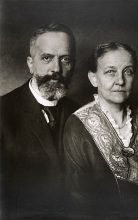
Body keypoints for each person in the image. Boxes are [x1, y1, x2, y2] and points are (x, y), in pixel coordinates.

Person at [63, 42, 138, 219]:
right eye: (110, 72)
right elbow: (79, 203)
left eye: (128, 71)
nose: (120, 80)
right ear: (93, 78)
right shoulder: (76, 126)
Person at [0, 23, 78, 218]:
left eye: (65, 59)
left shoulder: (82, 113)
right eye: (46, 58)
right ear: (30, 63)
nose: (56, 69)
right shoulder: (2, 112)